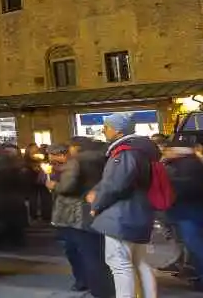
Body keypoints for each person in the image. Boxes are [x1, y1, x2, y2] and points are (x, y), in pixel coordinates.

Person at [87, 113, 160, 298]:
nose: (104, 130)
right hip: (139, 211)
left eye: (106, 126)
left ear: (118, 130)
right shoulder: (141, 150)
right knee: (139, 262)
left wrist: (97, 204)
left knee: (120, 264)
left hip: (122, 215)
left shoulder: (125, 151)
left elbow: (116, 184)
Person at [51, 137, 112, 298]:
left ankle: (89, 284)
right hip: (101, 208)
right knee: (99, 252)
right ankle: (106, 287)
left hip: (78, 211)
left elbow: (67, 187)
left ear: (75, 147)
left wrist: (53, 186)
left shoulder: (76, 161)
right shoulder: (106, 158)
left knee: (79, 250)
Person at [163, 135, 203, 293]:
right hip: (190, 211)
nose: (165, 152)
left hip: (190, 212)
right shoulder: (189, 163)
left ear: (177, 151)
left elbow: (190, 189)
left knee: (198, 247)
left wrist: (170, 191)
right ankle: (202, 276)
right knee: (196, 246)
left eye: (168, 149)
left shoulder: (186, 165)